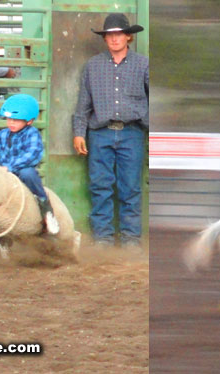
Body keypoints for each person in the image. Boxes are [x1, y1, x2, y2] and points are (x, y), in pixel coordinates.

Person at [73, 13, 148, 249]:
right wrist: (78, 132)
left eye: (119, 34)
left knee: (130, 187)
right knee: (100, 186)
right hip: (100, 133)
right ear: (105, 38)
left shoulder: (144, 65)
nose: (115, 39)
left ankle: (130, 239)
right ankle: (103, 238)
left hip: (132, 133)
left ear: (128, 36)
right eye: (110, 35)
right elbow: (84, 102)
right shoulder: (93, 66)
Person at [0, 94, 59, 235]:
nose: (11, 123)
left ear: (29, 121)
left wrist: (10, 167)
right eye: (9, 119)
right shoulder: (2, 134)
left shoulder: (32, 134)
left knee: (28, 173)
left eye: (16, 120)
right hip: (2, 173)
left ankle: (46, 210)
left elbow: (31, 154)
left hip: (19, 171)